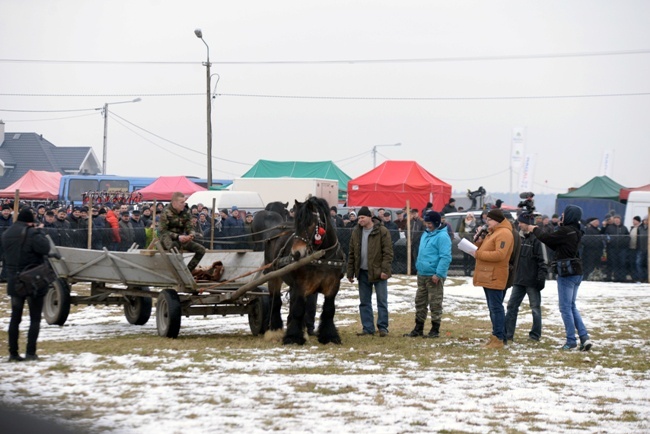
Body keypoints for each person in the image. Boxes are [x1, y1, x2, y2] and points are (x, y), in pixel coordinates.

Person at [533, 205, 593, 351]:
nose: (562, 215)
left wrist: (534, 229)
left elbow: (546, 238)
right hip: (577, 272)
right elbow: (557, 245)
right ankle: (584, 337)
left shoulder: (566, 231)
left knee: (565, 308)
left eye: (564, 214)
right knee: (571, 306)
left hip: (567, 273)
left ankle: (571, 340)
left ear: (570, 216)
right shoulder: (576, 230)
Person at [3, 208, 52, 362]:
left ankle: (13, 353)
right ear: (30, 221)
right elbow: (45, 248)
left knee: (15, 317)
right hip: (33, 279)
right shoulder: (33, 233)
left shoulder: (7, 233)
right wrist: (39, 232)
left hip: (13, 279)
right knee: (35, 318)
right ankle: (31, 352)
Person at [469, 208, 514, 349]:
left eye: (489, 220)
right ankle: (495, 335)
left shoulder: (504, 233)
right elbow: (482, 250)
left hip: (495, 275)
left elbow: (499, 255)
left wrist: (478, 254)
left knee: (496, 308)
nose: (486, 222)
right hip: (488, 274)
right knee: (492, 308)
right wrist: (478, 241)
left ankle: (499, 338)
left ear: (497, 220)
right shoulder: (492, 233)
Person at [346, 206, 394, 337]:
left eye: (362, 217)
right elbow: (352, 253)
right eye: (359, 218)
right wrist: (350, 272)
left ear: (369, 217)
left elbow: (388, 253)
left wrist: (385, 270)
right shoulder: (356, 232)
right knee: (364, 302)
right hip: (362, 272)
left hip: (379, 272)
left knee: (382, 301)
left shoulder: (382, 231)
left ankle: (383, 327)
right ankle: (368, 328)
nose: (359, 220)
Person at [404, 211, 452, 338]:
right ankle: (418, 328)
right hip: (422, 274)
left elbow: (445, 257)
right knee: (420, 302)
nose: (427, 225)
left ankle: (435, 329)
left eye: (430, 223)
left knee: (435, 302)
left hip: (433, 276)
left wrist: (439, 274)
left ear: (436, 223)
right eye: (426, 222)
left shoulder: (442, 237)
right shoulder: (426, 234)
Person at [505, 213, 548, 343]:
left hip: (533, 281)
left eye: (521, 223)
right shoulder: (518, 237)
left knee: (535, 308)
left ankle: (535, 335)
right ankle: (508, 334)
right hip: (518, 280)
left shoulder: (537, 239)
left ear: (528, 224)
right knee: (512, 306)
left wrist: (541, 278)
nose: (519, 225)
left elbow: (543, 260)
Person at [159, 192, 205, 272]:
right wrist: (178, 237)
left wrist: (191, 234)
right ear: (174, 203)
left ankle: (187, 271)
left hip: (182, 238)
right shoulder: (165, 212)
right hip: (168, 238)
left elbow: (190, 227)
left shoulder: (186, 212)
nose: (184, 204)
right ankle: (175, 272)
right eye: (182, 202)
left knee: (201, 250)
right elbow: (163, 231)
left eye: (184, 202)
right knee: (174, 247)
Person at [603, 215, 630, 282]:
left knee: (622, 263)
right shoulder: (609, 227)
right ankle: (614, 277)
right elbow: (606, 236)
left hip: (622, 248)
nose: (617, 220)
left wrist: (624, 243)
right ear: (614, 220)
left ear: (620, 220)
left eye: (618, 219)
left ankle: (622, 277)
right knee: (613, 263)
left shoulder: (624, 228)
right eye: (615, 219)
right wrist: (609, 241)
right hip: (612, 248)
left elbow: (628, 237)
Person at [0, 204, 13, 282]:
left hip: (8, 243)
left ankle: (4, 277)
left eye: (7, 211)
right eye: (4, 211)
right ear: (2, 211)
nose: (6, 212)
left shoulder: (12, 219)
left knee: (6, 260)